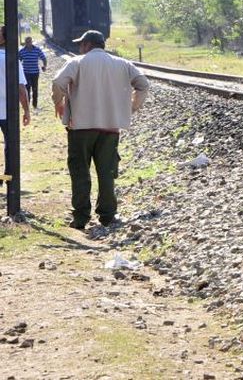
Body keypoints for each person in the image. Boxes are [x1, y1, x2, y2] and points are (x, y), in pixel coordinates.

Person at [51, 30, 150, 230]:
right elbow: (143, 85)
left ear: (87, 45)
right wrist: (132, 107)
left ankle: (81, 217)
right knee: (106, 172)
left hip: (80, 128)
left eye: (81, 44)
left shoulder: (77, 62)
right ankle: (107, 215)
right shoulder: (123, 64)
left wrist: (58, 102)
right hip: (110, 127)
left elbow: (58, 83)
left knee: (80, 172)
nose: (80, 48)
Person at [0, 26, 31, 159]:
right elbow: (21, 89)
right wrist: (26, 111)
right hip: (7, 111)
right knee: (10, 144)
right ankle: (8, 175)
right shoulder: (12, 60)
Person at [18, 36, 47, 110]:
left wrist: (44, 66)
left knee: (35, 88)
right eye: (27, 42)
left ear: (32, 42)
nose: (28, 43)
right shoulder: (22, 51)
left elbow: (43, 58)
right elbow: (18, 60)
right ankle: (27, 105)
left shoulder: (37, 50)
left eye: (30, 42)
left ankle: (35, 105)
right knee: (27, 89)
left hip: (35, 72)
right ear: (25, 43)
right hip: (26, 73)